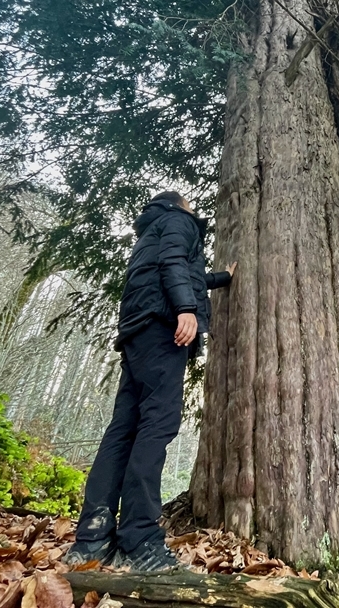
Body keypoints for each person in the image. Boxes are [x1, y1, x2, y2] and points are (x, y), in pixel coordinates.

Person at [64, 191, 235, 571]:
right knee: (157, 424)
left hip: (138, 331)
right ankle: (139, 539)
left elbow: (181, 271)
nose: (194, 208)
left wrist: (223, 277)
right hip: (162, 328)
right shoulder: (179, 220)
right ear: (179, 203)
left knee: (123, 429)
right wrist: (186, 309)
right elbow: (172, 262)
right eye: (190, 204)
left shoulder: (152, 230)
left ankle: (92, 539)